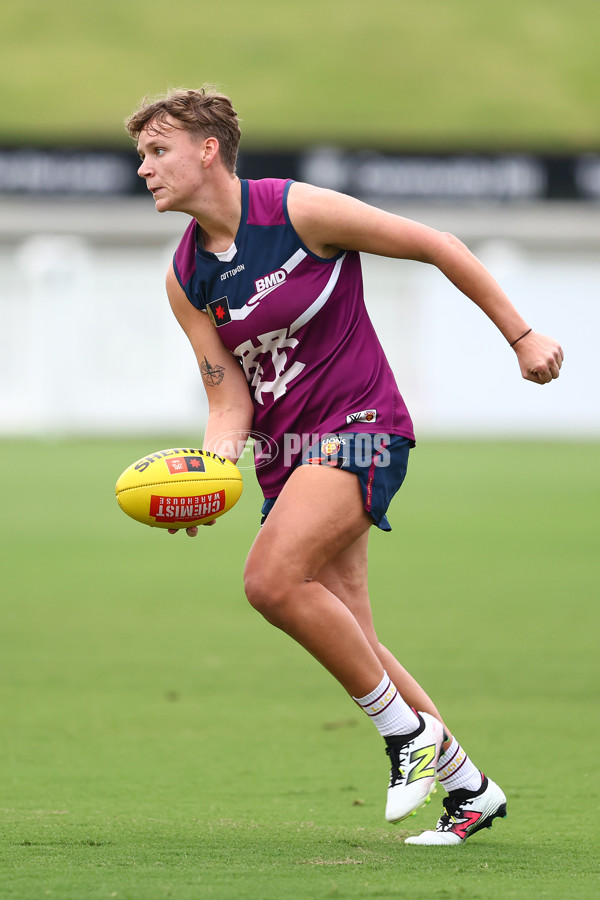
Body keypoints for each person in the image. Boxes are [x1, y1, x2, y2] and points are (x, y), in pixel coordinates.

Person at [126, 87, 563, 845]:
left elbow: (438, 244)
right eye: (140, 156)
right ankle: (468, 787)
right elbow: (229, 403)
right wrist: (207, 480)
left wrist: (521, 336)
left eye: (157, 151)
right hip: (288, 459)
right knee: (352, 633)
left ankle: (406, 739)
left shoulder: (298, 212)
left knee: (268, 581)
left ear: (207, 150)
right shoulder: (185, 276)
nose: (144, 169)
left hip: (362, 429)